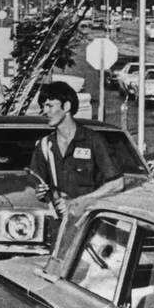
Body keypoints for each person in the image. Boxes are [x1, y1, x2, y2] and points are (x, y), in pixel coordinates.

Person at [29, 81, 125, 219]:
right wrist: (42, 192)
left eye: (50, 106)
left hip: (91, 222)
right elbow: (42, 186)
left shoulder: (94, 140)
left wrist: (78, 202)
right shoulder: (44, 145)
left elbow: (117, 184)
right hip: (61, 223)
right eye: (43, 106)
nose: (44, 111)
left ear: (67, 106)